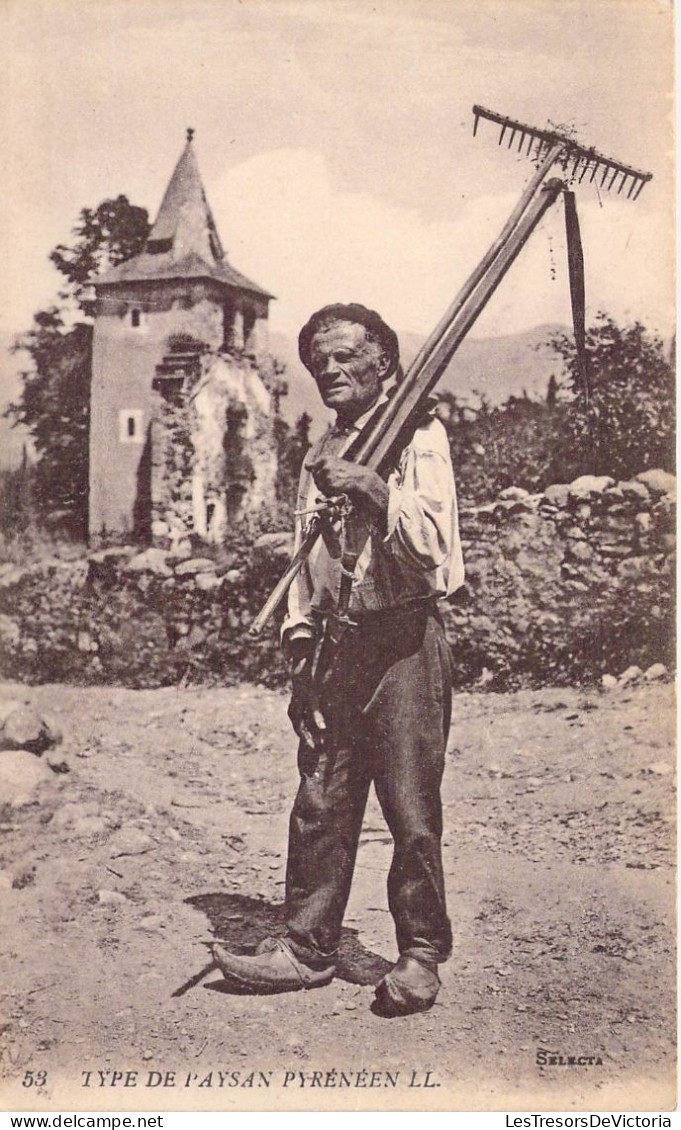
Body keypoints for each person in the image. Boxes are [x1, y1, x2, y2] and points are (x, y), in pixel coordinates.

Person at [212, 303, 464, 1016]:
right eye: (319, 360)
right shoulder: (323, 449)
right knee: (320, 797)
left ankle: (418, 956)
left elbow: (432, 550)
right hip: (336, 644)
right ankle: (305, 947)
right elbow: (306, 561)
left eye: (347, 356)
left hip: (403, 639)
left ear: (383, 362)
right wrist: (299, 652)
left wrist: (373, 490)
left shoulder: (417, 434)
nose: (329, 369)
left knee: (411, 807)